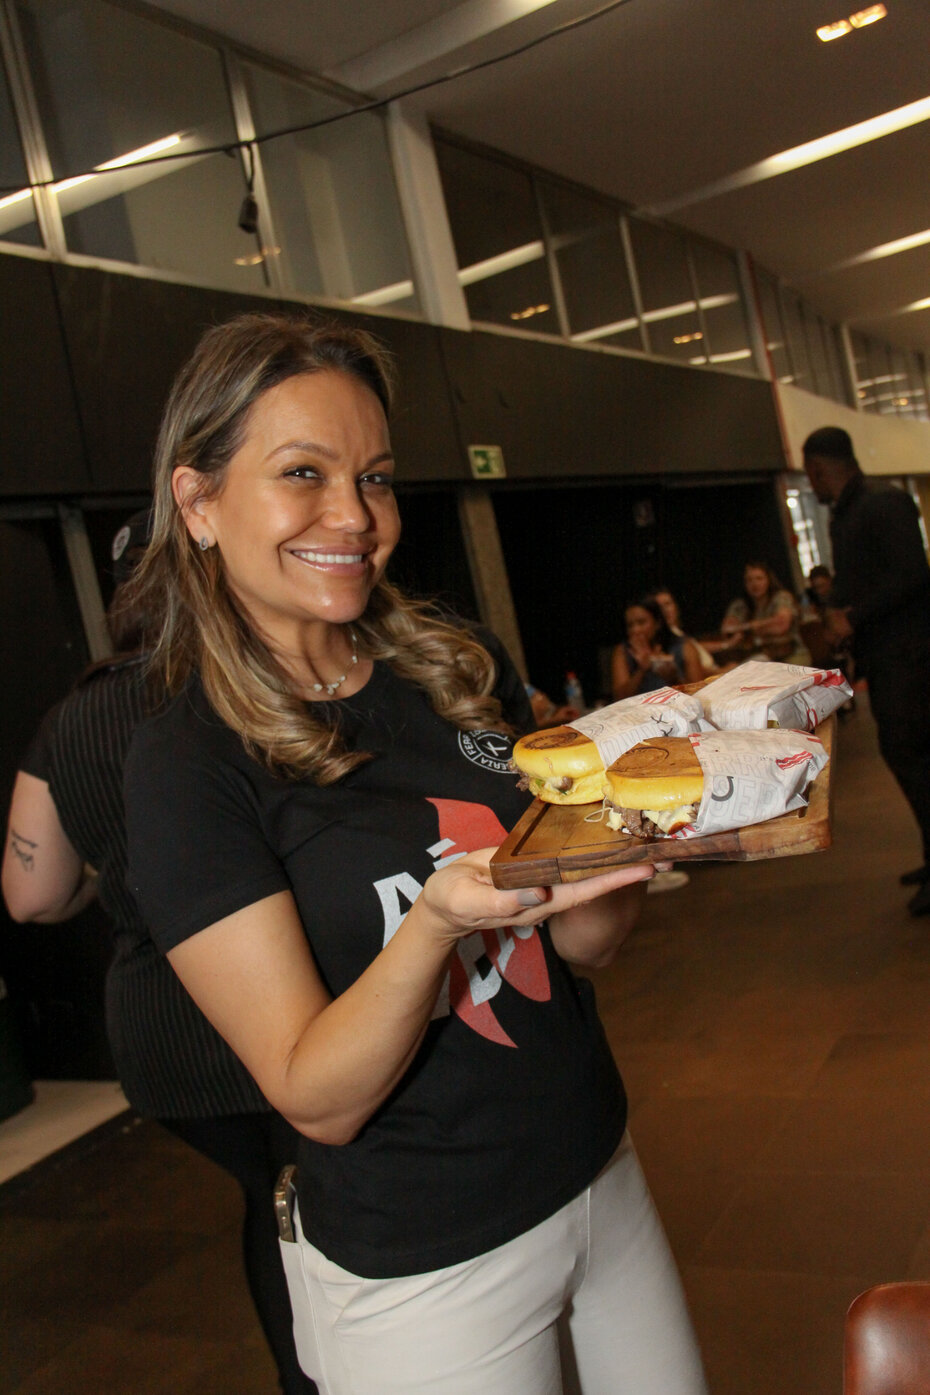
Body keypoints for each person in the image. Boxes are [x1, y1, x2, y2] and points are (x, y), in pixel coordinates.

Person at [119, 311, 708, 1395]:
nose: (354, 516)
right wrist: (435, 923)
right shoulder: (187, 764)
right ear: (197, 503)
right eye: (304, 472)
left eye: (377, 478)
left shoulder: (456, 663)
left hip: (597, 1174)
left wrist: (619, 848)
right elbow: (316, 1095)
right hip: (425, 1264)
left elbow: (583, 949)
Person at [1, 512, 319, 1395]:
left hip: (163, 1035)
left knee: (271, 1197)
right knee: (315, 1191)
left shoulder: (70, 719)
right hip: (279, 1000)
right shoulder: (250, 687)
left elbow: (30, 895)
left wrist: (116, 874)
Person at [803, 425, 930, 914]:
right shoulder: (850, 510)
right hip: (890, 657)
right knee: (908, 757)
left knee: (913, 757)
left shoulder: (882, 502)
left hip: (911, 657)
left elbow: (913, 576)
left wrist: (851, 617)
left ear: (818, 468)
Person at [611, 595, 704, 701]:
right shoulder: (623, 651)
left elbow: (699, 693)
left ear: (657, 623)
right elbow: (619, 698)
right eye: (630, 625)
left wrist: (673, 678)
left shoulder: (683, 646)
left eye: (641, 622)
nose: (635, 630)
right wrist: (642, 670)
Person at [719, 561, 810, 665]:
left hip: (791, 654)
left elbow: (781, 625)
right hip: (758, 657)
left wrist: (749, 627)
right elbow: (727, 630)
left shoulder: (781, 597)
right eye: (749, 580)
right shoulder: (740, 606)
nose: (755, 584)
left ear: (768, 580)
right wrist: (761, 626)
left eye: (759, 578)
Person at [650, 587, 719, 678]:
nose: (665, 610)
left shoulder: (678, 632)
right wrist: (726, 670)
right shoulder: (668, 638)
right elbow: (697, 671)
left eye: (667, 604)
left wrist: (727, 644)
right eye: (660, 607)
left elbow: (698, 647)